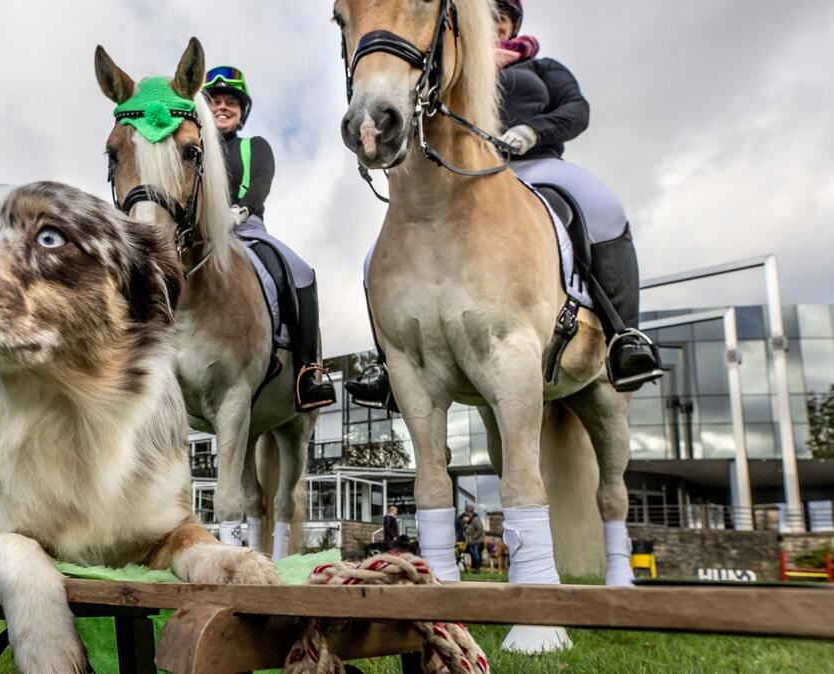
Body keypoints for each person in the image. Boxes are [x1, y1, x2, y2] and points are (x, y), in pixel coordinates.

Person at [346, 0, 663, 409]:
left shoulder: (542, 68)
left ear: (513, 24)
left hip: (537, 165)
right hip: (467, 176)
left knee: (601, 208)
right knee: (375, 258)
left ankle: (623, 336)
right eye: (488, 15)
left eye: (502, 16)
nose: (494, 23)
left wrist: (534, 130)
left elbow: (576, 110)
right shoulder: (446, 69)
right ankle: (391, 365)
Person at [202, 66, 336, 411]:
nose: (222, 107)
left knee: (300, 272)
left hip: (245, 229)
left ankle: (307, 371)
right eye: (215, 101)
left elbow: (260, 182)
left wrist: (239, 210)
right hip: (199, 234)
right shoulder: (192, 150)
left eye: (231, 102)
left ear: (241, 112)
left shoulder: (254, 146)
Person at [463, 504, 485, 573]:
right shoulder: (468, 521)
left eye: (469, 512)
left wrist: (474, 537)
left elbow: (480, 529)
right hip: (471, 542)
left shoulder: (476, 519)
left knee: (476, 555)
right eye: (467, 512)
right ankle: (475, 568)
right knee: (474, 555)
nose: (467, 513)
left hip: (477, 542)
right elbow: (466, 532)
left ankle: (477, 569)